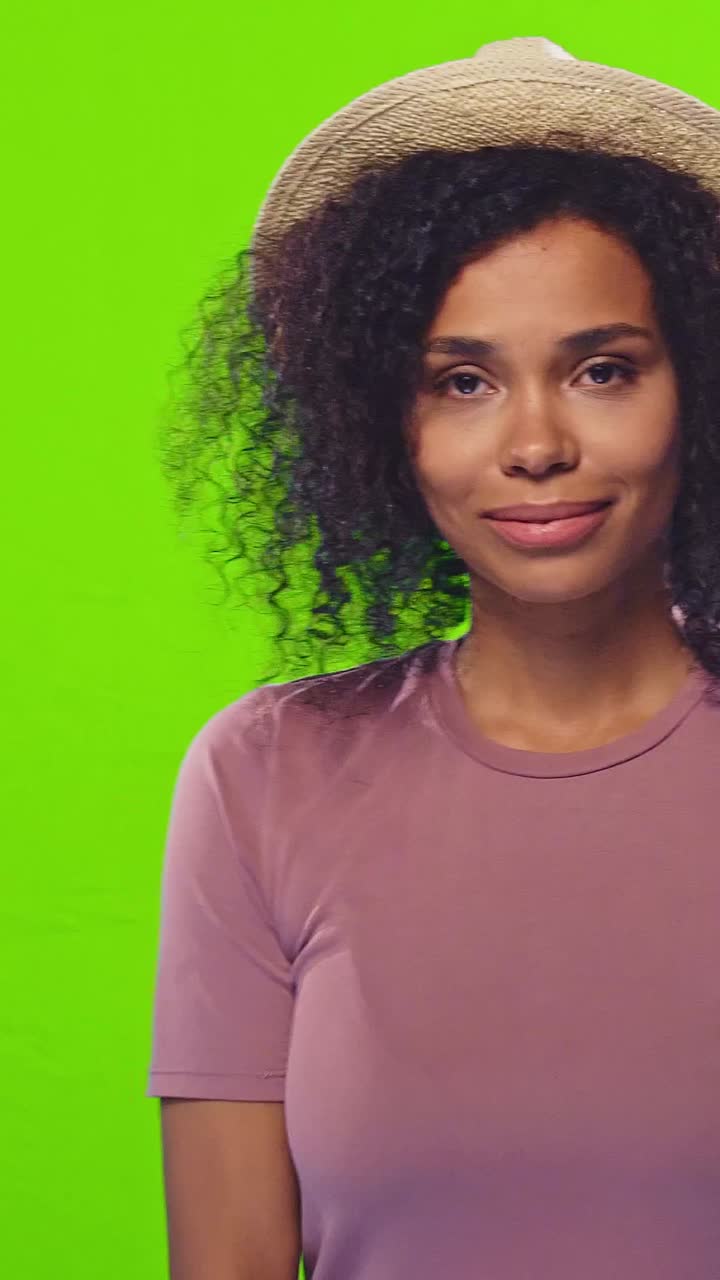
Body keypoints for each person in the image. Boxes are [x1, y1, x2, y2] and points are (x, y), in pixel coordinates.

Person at [146, 36, 720, 1279]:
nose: (535, 443)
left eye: (603, 368)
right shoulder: (264, 777)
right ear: (381, 421)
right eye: (462, 381)